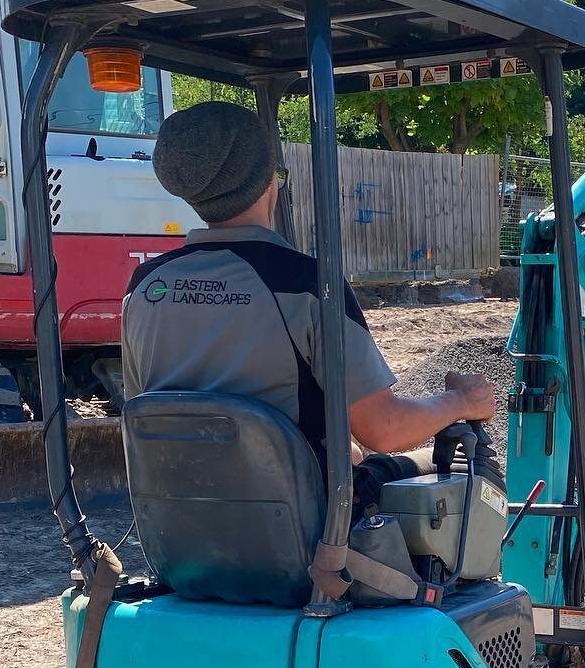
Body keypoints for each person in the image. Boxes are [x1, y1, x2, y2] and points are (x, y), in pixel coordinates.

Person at [121, 100, 497, 518]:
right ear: (269, 181)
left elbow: (154, 417)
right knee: (469, 468)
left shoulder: (144, 287)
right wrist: (461, 401)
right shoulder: (305, 285)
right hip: (303, 540)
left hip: (180, 534)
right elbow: (385, 429)